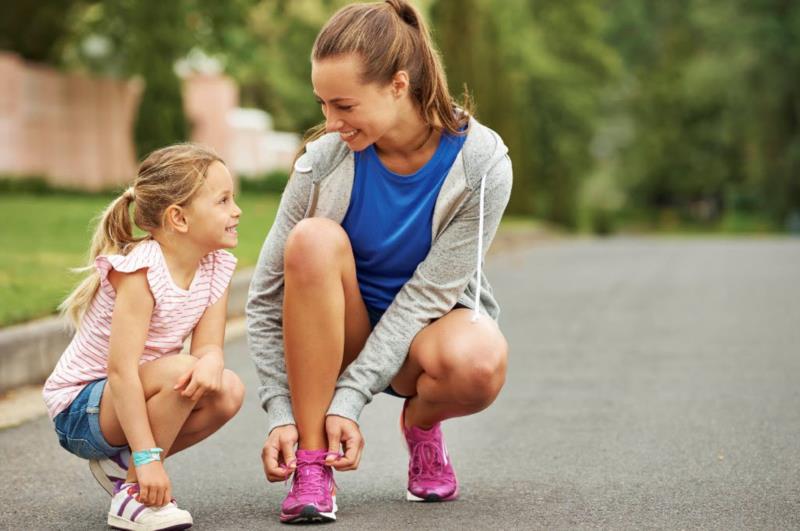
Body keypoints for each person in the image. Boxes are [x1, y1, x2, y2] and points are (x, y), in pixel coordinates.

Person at [247, 0, 512, 524]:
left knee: (479, 362)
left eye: (344, 106)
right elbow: (263, 298)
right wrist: (281, 412)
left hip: (421, 339)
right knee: (312, 240)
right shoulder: (322, 162)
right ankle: (312, 461)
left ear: (398, 84)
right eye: (322, 104)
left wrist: (348, 401)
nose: (330, 122)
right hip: (336, 336)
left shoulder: (482, 165)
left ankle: (422, 426)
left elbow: (426, 298)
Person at [43, 144, 245, 531]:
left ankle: (125, 469)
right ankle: (135, 495)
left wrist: (213, 361)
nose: (236, 211)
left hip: (129, 400)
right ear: (179, 218)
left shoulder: (216, 264)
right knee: (184, 371)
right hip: (81, 408)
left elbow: (207, 349)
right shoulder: (141, 272)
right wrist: (150, 458)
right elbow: (120, 372)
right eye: (223, 201)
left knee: (228, 389)